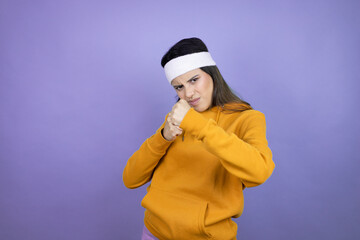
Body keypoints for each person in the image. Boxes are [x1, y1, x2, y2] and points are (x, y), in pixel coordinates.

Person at [123, 37, 275, 240]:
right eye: (179, 87)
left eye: (194, 80)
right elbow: (130, 179)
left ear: (212, 74)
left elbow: (260, 171)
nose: (188, 94)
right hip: (154, 233)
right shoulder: (176, 118)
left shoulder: (248, 118)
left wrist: (197, 125)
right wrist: (163, 137)